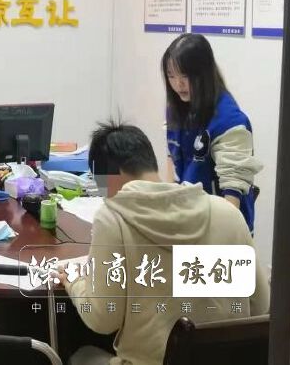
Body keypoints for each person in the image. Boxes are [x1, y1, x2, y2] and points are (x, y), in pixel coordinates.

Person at [58, 121, 269, 365]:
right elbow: (260, 305)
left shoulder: (113, 219)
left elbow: (103, 320)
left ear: (111, 174)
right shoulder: (227, 214)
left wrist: (75, 282)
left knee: (80, 354)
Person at [162, 33, 262, 232]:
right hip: (189, 221)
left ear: (203, 74)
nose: (178, 84)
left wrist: (213, 239)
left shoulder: (230, 121)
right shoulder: (177, 110)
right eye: (171, 76)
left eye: (185, 76)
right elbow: (172, 162)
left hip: (221, 230)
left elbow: (231, 201)